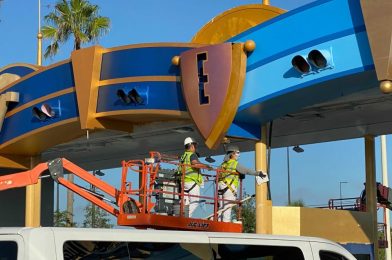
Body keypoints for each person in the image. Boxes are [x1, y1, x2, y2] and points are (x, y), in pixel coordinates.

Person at [218, 144, 268, 222]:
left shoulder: (222, 164)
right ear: (232, 154)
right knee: (227, 208)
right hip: (228, 189)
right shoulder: (234, 163)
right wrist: (258, 173)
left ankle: (219, 223)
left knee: (221, 208)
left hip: (220, 187)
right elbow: (246, 170)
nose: (238, 155)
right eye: (237, 153)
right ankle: (225, 225)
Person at [178, 137, 212, 218]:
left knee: (185, 202)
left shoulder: (183, 156)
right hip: (192, 182)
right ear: (192, 146)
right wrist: (206, 166)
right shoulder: (192, 155)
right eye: (195, 146)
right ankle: (187, 217)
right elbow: (195, 164)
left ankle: (182, 216)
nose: (195, 148)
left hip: (183, 182)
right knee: (195, 201)